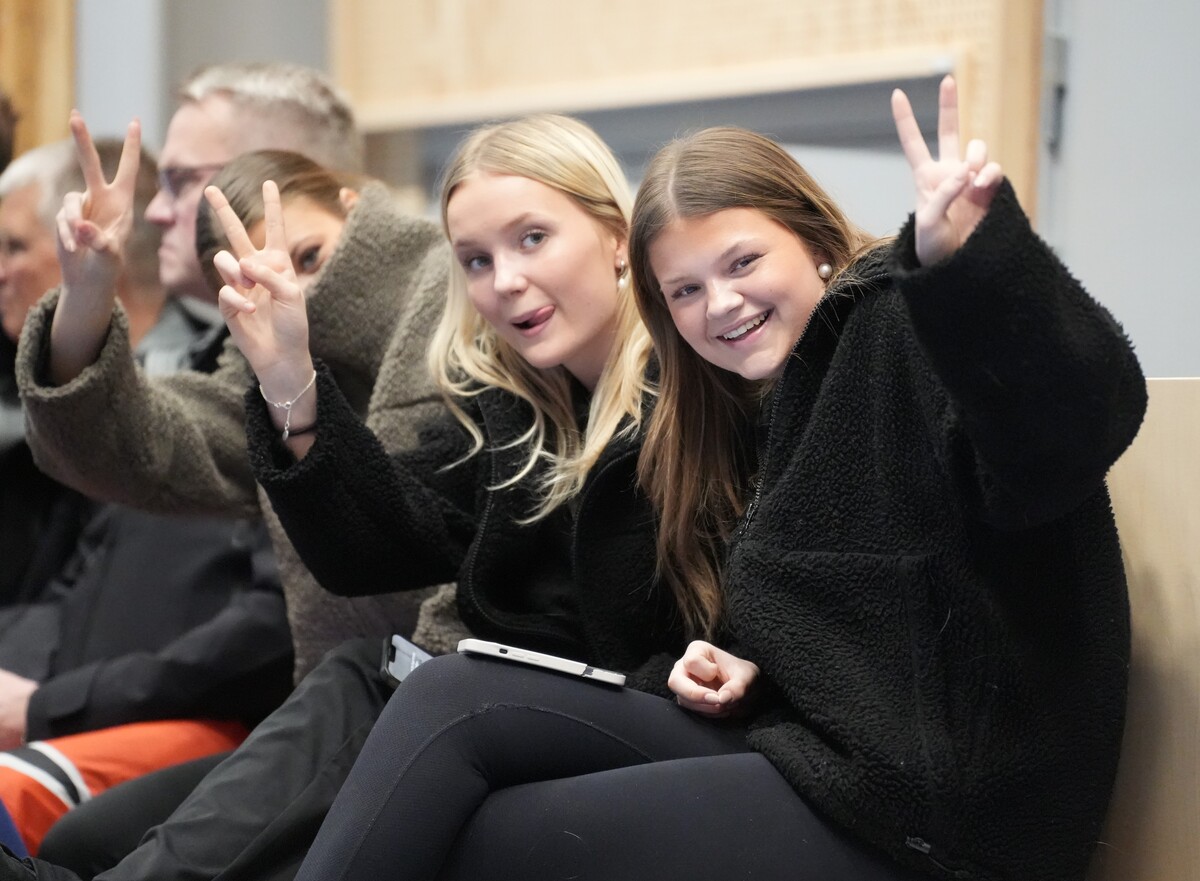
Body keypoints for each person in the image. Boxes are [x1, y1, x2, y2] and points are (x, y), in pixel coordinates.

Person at [281, 77, 1146, 881]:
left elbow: (1067, 439)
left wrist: (973, 273)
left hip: (946, 815)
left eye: (741, 263)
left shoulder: (897, 324)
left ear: (814, 241)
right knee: (454, 695)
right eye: (686, 291)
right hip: (827, 758)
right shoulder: (745, 400)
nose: (720, 304)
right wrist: (739, 664)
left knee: (498, 833)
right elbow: (840, 617)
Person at [0, 113, 681, 881]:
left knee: (417, 686)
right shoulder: (516, 399)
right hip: (450, 691)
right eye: (478, 259)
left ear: (617, 234)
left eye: (533, 239)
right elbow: (378, 536)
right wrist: (284, 373)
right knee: (371, 677)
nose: (506, 279)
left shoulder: (682, 387)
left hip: (580, 704)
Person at [13, 63, 448, 682]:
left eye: (182, 181)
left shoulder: (448, 296)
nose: (155, 211)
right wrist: (84, 298)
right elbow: (141, 450)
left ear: (276, 169)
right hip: (352, 700)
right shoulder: (248, 352)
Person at [0, 135, 293, 854]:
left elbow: (269, 632)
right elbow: (80, 587)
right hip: (90, 701)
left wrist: (50, 705)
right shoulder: (180, 384)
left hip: (191, 722)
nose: (161, 213)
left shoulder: (255, 394)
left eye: (12, 247)